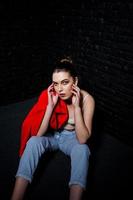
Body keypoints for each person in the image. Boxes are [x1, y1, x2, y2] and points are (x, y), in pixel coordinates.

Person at [11, 56, 95, 200]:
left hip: (72, 139)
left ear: (75, 82)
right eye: (55, 84)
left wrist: (76, 107)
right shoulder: (52, 96)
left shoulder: (87, 100)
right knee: (33, 142)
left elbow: (82, 139)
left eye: (65, 82)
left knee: (83, 150)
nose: (60, 89)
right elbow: (38, 134)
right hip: (54, 135)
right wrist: (50, 106)